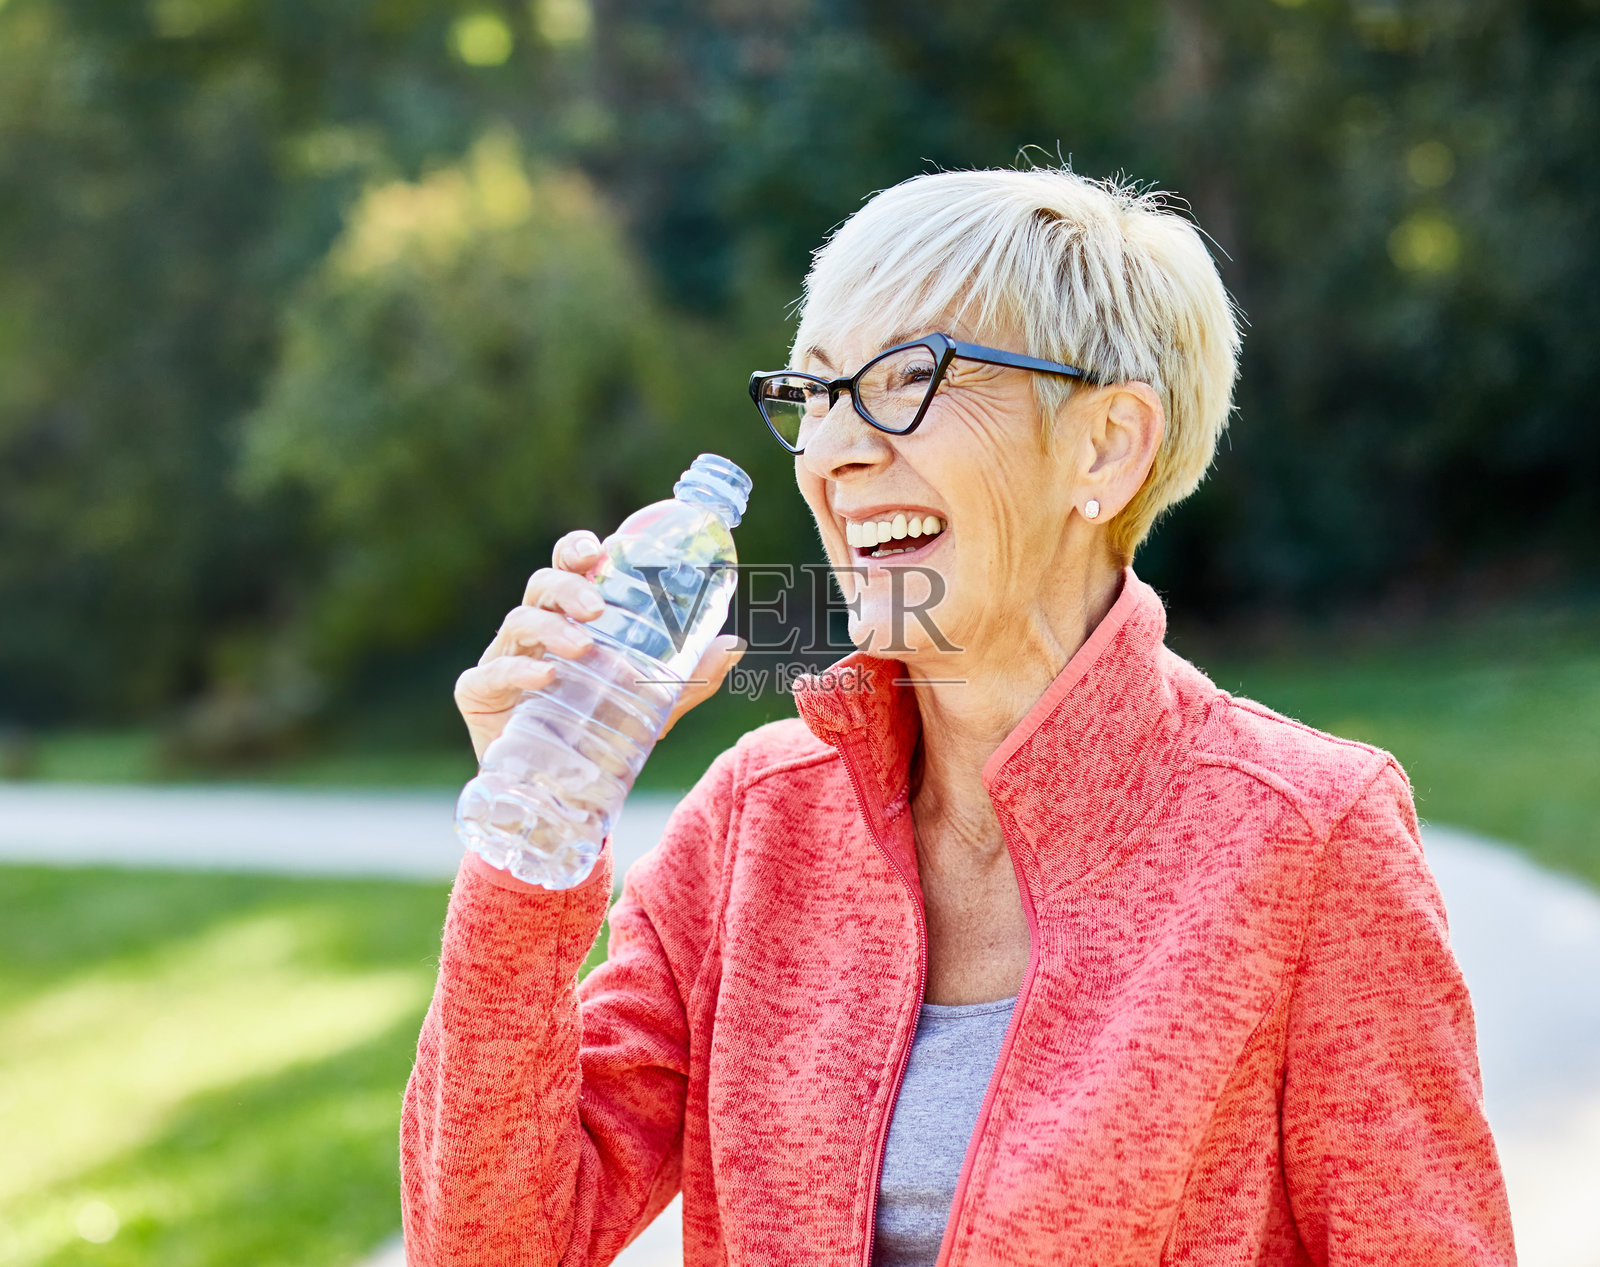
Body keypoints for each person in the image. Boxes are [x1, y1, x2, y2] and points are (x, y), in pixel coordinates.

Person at [401, 168, 1515, 1266]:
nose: (835, 453)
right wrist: (535, 825)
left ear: (1106, 443)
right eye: (815, 395)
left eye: (905, 379)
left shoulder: (1308, 838)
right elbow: (492, 1245)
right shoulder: (753, 823)